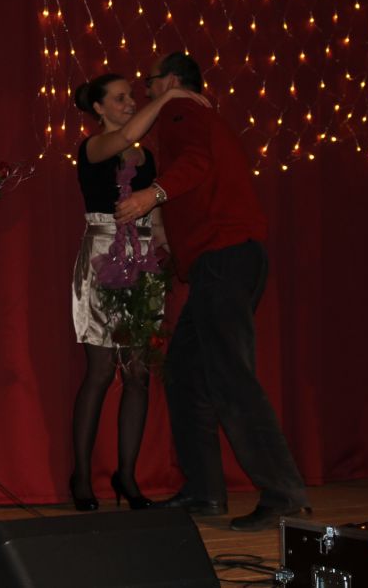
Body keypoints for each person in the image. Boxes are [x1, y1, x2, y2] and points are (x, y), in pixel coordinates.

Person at [114, 51, 311, 532]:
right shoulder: (194, 115)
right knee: (186, 372)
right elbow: (203, 180)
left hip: (225, 257)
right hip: (222, 260)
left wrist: (150, 194)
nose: (146, 92)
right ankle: (204, 492)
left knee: (229, 375)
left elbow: (196, 164)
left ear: (171, 81)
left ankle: (284, 494)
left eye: (150, 82)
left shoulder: (181, 111)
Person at [69, 74, 207, 511]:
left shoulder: (146, 156)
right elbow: (126, 134)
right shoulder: (94, 146)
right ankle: (81, 475)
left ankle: (126, 475)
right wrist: (169, 96)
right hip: (103, 256)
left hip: (142, 259)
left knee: (138, 374)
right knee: (99, 372)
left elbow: (156, 214)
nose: (130, 102)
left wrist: (170, 249)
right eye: (120, 98)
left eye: (132, 96)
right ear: (98, 108)